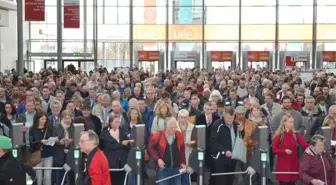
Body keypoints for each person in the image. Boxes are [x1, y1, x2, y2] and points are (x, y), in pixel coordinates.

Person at [272, 114, 309, 185]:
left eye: (292, 122)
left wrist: (315, 148)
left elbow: (305, 145)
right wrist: (284, 151)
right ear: (284, 122)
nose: (292, 124)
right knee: (284, 183)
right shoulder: (279, 135)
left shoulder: (296, 134)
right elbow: (274, 150)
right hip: (283, 165)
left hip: (293, 163)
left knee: (292, 182)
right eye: (290, 122)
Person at [148, 117, 186, 185]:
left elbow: (182, 150)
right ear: (166, 126)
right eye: (172, 127)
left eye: (175, 127)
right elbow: (150, 148)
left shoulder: (179, 134)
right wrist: (158, 159)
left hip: (176, 168)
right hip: (163, 169)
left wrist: (183, 162)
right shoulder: (158, 134)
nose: (174, 129)